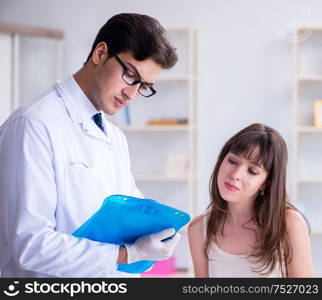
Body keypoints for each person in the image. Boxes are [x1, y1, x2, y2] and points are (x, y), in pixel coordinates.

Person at [0, 13, 181, 277]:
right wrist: (126, 255)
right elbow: (31, 244)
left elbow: (127, 211)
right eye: (130, 75)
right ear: (100, 53)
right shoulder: (34, 124)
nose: (132, 94)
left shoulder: (114, 137)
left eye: (143, 86)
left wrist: (156, 232)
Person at [188, 123, 314, 277]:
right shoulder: (199, 229)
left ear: (266, 183)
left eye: (252, 171)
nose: (235, 174)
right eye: (233, 161)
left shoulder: (289, 224)